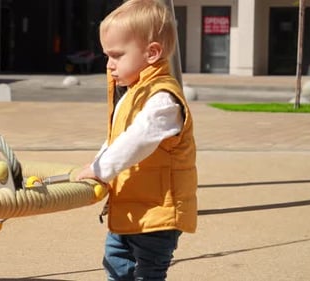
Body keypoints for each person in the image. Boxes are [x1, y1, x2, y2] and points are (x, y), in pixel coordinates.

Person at [75, 0, 197, 280]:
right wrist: (96, 164)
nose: (109, 64)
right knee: (116, 264)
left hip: (157, 214)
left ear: (152, 53)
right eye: (107, 55)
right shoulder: (131, 94)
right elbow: (117, 139)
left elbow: (138, 140)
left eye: (116, 55)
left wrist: (101, 169)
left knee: (148, 273)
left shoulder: (163, 99)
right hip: (131, 210)